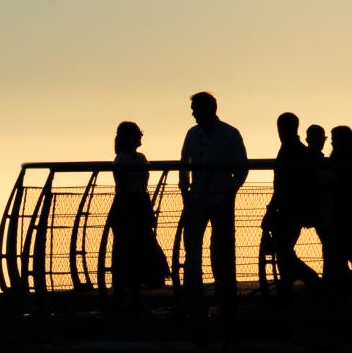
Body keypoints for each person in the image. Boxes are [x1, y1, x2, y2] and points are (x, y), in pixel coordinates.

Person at [177, 91, 250, 304]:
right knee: (197, 245)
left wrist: (230, 190)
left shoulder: (227, 133)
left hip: (215, 198)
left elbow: (241, 167)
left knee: (217, 246)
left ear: (207, 110)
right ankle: (202, 289)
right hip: (200, 197)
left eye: (195, 110)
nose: (193, 114)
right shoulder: (214, 133)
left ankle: (218, 289)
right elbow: (185, 164)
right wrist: (185, 191)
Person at [107, 120, 167, 302]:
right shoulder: (125, 159)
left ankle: (131, 291)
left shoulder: (136, 158)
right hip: (131, 204)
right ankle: (130, 290)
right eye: (137, 133)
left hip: (136, 203)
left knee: (133, 248)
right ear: (128, 137)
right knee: (132, 248)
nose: (140, 136)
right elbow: (124, 188)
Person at [263, 111, 321, 291]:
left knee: (283, 251)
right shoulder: (298, 149)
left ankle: (310, 280)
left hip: (290, 209)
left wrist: (271, 209)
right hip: (293, 208)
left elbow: (282, 186)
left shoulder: (289, 150)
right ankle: (295, 285)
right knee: (284, 251)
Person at [326, 124, 352, 288]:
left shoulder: (336, 159)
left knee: (341, 249)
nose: (332, 143)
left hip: (342, 211)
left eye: (334, 140)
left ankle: (346, 285)